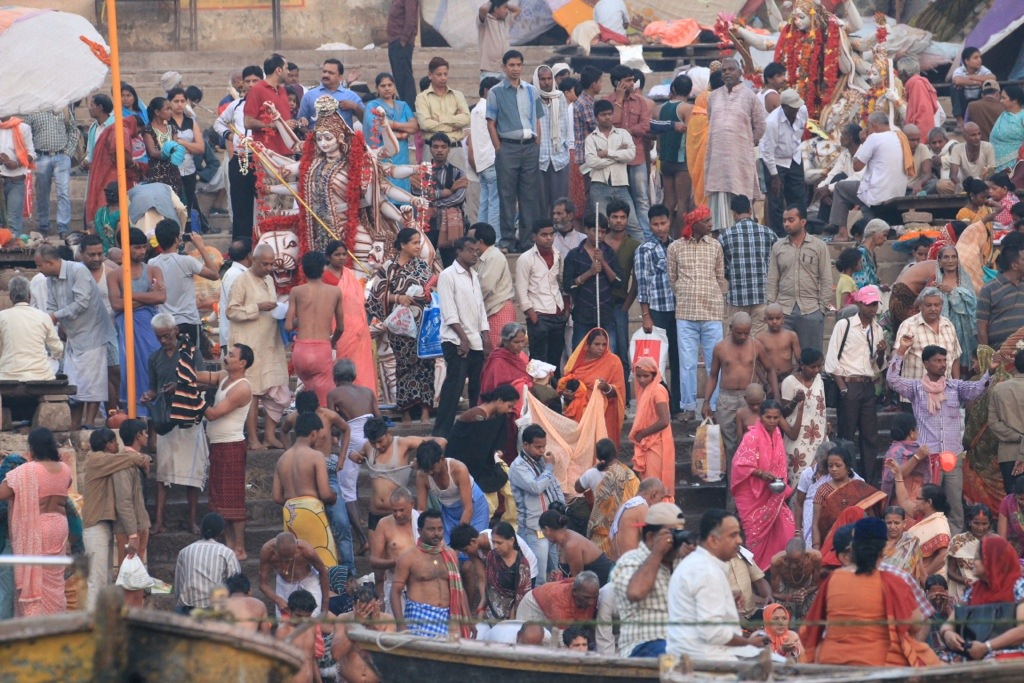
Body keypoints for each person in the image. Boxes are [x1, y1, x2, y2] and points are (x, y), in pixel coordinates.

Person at [888, 337, 999, 532]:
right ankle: (930, 537)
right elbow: (892, 380)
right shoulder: (916, 388)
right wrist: (900, 352)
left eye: (944, 361)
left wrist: (990, 371)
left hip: (952, 456)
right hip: (928, 458)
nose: (942, 365)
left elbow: (977, 390)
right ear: (926, 363)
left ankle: (953, 542)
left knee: (955, 503)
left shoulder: (955, 387)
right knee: (929, 503)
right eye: (937, 361)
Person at [801, 517, 939, 666]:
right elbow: (917, 625)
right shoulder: (895, 581)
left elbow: (809, 628)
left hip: (833, 659)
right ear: (883, 549)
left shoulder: (834, 579)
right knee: (930, 660)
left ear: (853, 549)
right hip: (880, 662)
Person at [34, 244, 116, 428]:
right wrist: (54, 321)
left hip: (92, 333)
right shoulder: (50, 280)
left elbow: (81, 303)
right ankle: (75, 425)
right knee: (74, 385)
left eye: (40, 266)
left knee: (93, 384)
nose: (38, 270)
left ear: (50, 262)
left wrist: (56, 316)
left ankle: (88, 424)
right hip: (73, 337)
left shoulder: (78, 270)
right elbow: (51, 306)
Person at [667, 509, 766, 660]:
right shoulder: (706, 571)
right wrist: (748, 642)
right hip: (705, 661)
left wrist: (725, 599)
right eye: (733, 535)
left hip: (697, 655)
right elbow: (713, 632)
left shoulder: (702, 565)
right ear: (713, 540)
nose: (739, 540)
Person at [141, 314, 208, 535]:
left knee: (192, 474)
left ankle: (191, 521)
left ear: (176, 330)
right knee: (163, 474)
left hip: (189, 417)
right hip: (167, 421)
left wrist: (179, 388)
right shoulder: (154, 358)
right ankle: (159, 522)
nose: (163, 341)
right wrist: (148, 396)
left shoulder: (191, 352)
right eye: (159, 337)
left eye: (167, 336)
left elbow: (202, 382)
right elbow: (153, 387)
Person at [193, 343, 254, 561]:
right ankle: (229, 545)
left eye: (231, 355)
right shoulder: (223, 377)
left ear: (242, 363)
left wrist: (194, 398)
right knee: (220, 499)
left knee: (234, 500)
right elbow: (202, 376)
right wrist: (182, 373)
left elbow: (214, 414)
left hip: (231, 446)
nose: (226, 357)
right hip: (218, 446)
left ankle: (239, 548)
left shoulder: (242, 387)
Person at [367, 229, 434, 422]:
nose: (417, 246)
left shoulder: (422, 265)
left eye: (418, 242)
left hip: (421, 325)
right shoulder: (389, 267)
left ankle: (425, 411)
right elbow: (375, 296)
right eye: (413, 242)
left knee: (425, 365)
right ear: (403, 245)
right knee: (403, 366)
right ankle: (405, 410)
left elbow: (431, 290)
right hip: (400, 327)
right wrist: (398, 297)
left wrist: (423, 294)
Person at [227, 243, 289, 449]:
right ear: (253, 260)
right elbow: (231, 311)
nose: (269, 268)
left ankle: (269, 435)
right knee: (252, 393)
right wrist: (258, 307)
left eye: (272, 264)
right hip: (249, 345)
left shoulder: (269, 279)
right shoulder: (241, 280)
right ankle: (253, 439)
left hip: (270, 343)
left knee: (277, 388)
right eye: (265, 264)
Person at [666, 205, 725, 419]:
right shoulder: (675, 248)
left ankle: (714, 407)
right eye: (707, 221)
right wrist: (684, 294)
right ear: (695, 224)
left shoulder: (716, 246)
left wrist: (716, 296)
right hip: (686, 313)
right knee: (687, 363)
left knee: (714, 363)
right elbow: (672, 280)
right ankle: (689, 407)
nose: (711, 224)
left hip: (712, 313)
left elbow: (720, 277)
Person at [825, 285, 887, 484]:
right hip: (849, 385)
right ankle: (846, 479)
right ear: (859, 304)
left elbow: (878, 365)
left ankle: (868, 481)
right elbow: (832, 360)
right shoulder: (844, 326)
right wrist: (842, 387)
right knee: (847, 435)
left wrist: (882, 353)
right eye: (868, 304)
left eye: (875, 304)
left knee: (870, 436)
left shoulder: (878, 329)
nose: (872, 308)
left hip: (868, 385)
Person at [610, 502, 687, 657]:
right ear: (651, 537)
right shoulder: (630, 561)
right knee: (672, 653)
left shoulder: (682, 562)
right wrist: (657, 553)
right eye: (671, 533)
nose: (676, 540)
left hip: (681, 642)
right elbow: (636, 593)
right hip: (643, 644)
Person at [84, 426, 148, 613]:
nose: (118, 446)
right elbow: (130, 458)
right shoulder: (97, 459)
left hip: (104, 524)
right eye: (115, 442)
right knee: (97, 579)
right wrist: (143, 459)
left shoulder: (108, 460)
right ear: (108, 444)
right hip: (95, 525)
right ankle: (91, 625)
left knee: (105, 578)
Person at [433, 236, 491, 438]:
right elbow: (449, 311)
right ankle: (441, 433)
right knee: (454, 388)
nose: (474, 254)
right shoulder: (448, 275)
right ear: (458, 251)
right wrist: (463, 338)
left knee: (476, 388)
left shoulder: (474, 275)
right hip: (456, 341)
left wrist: (486, 336)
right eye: (470, 250)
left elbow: (480, 308)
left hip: (475, 340)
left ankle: (474, 431)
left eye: (477, 250)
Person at [483, 50, 542, 252]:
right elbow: (491, 123)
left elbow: (537, 119)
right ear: (504, 67)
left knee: (528, 197)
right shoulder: (495, 92)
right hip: (507, 147)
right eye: (511, 65)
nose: (515, 69)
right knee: (507, 196)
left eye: (518, 65)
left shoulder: (532, 91)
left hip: (530, 146)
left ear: (522, 66)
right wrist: (499, 148)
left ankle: (526, 242)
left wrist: (537, 143)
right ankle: (507, 241)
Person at [704, 312, 781, 461]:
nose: (742, 337)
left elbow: (770, 369)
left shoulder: (756, 345)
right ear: (731, 328)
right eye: (738, 333)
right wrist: (706, 401)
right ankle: (732, 482)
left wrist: (776, 395)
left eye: (746, 333)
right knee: (730, 444)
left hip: (752, 399)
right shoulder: (720, 347)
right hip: (727, 400)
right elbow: (713, 376)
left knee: (755, 440)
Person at [731, 400, 797, 570]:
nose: (773, 421)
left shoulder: (777, 435)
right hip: (752, 495)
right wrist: (760, 473)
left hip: (773, 494)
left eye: (776, 417)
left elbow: (781, 464)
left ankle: (773, 569)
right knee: (754, 537)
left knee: (787, 527)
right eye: (769, 417)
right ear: (760, 417)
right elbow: (740, 464)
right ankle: (754, 574)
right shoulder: (751, 436)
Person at [107, 228, 165, 418]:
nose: (142, 252)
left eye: (143, 247)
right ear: (125, 248)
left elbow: (161, 297)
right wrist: (148, 296)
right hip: (127, 329)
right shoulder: (114, 275)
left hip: (150, 328)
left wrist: (130, 297)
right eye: (137, 248)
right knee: (130, 371)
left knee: (153, 368)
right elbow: (116, 304)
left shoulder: (152, 270)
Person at [938, 535, 1024, 661]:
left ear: (992, 560)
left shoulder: (1018, 586)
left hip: (1007, 653)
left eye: (977, 558)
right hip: (974, 651)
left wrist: (986, 647)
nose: (972, 562)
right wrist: (948, 634)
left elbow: (1022, 630)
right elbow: (949, 623)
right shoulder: (973, 591)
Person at [704, 58, 766, 232]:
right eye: (724, 70)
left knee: (740, 194)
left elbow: (760, 125)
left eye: (731, 69)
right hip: (717, 158)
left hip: (740, 159)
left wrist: (745, 142)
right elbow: (711, 120)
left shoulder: (750, 97)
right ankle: (720, 234)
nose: (727, 73)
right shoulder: (714, 96)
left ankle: (740, 233)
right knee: (719, 197)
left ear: (740, 73)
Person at [392, 509, 473, 637]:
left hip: (448, 618)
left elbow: (460, 589)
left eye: (440, 529)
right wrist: (400, 623)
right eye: (431, 529)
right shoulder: (408, 558)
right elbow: (395, 591)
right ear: (419, 531)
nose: (436, 533)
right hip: (419, 618)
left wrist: (468, 618)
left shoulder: (451, 554)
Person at [828, 112, 909, 240]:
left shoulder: (874, 138)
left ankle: (842, 233)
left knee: (840, 187)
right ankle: (884, 230)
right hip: (898, 191)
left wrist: (863, 142)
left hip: (879, 192)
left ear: (873, 125)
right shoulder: (900, 137)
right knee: (866, 203)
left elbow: (857, 166)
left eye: (868, 127)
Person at [274, 412, 339, 568]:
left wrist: (294, 502)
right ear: (314, 433)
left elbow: (277, 497)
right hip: (312, 511)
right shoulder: (316, 456)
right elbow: (324, 493)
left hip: (290, 513)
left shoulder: (282, 459)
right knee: (324, 562)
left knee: (298, 563)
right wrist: (333, 496)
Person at [448, 383, 518, 524]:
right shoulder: (477, 416)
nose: (509, 410)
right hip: (470, 466)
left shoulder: (497, 416)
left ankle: (511, 527)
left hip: (487, 462)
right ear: (499, 401)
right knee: (488, 502)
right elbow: (471, 449)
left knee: (512, 489)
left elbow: (495, 441)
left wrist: (497, 452)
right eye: (509, 406)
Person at [767, 205, 832, 352]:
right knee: (780, 359)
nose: (786, 224)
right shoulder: (778, 247)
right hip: (783, 311)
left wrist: (821, 309)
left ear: (802, 222)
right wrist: (772, 307)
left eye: (791, 220)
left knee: (811, 359)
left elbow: (826, 279)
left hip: (811, 310)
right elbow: (772, 279)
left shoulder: (819, 246)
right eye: (784, 220)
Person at [148, 219, 218, 354]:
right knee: (192, 365)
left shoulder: (152, 262)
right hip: (188, 321)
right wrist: (200, 246)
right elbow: (214, 274)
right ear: (177, 239)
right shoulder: (186, 261)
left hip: (165, 324)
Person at [285, 252, 344, 406]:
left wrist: (302, 319)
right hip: (322, 350)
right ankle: (323, 428)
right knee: (324, 403)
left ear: (303, 270)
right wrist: (333, 342)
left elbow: (289, 326)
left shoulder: (296, 291)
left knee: (306, 400)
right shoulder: (335, 292)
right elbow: (340, 327)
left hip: (301, 351)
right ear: (323, 268)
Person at [509, 425, 565, 584]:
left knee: (557, 571)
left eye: (544, 446)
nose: (542, 451)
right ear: (525, 445)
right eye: (537, 447)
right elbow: (536, 487)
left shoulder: (541, 461)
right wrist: (549, 468)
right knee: (538, 576)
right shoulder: (518, 466)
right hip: (534, 529)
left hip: (552, 526)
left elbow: (554, 485)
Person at [602, 65, 650, 238]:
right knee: (620, 199)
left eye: (632, 79)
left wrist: (625, 133)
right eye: (628, 80)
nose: (633, 83)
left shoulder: (640, 101)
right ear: (618, 83)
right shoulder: (607, 102)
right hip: (616, 160)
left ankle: (645, 236)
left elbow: (645, 126)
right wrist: (619, 101)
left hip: (636, 157)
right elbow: (610, 124)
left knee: (642, 199)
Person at [719, 195, 777, 338]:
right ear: (750, 210)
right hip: (762, 295)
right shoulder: (769, 234)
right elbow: (776, 263)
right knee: (759, 339)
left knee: (735, 338)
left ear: (733, 213)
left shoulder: (725, 236)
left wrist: (732, 275)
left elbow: (722, 267)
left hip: (737, 297)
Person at [515, 219, 566, 373]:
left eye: (551, 234)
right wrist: (532, 315)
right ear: (534, 237)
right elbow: (521, 290)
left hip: (557, 313)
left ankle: (554, 394)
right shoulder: (525, 258)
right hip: (539, 314)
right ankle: (537, 394)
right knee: (538, 360)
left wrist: (565, 309)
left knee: (555, 359)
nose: (549, 238)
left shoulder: (558, 255)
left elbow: (561, 283)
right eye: (544, 235)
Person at [564, 214, 622, 350]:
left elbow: (618, 282)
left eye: (603, 232)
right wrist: (589, 273)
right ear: (586, 230)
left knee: (609, 354)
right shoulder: (574, 255)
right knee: (579, 355)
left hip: (606, 315)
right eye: (595, 231)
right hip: (583, 316)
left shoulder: (609, 253)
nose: (600, 235)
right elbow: (568, 285)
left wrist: (603, 262)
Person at [415, 440, 489, 541]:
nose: (430, 472)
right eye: (426, 470)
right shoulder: (422, 475)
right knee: (446, 548)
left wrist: (458, 539)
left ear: (442, 459)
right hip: (449, 513)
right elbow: (421, 510)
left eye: (432, 468)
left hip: (475, 509)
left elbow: (468, 509)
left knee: (472, 545)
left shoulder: (459, 469)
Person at [560, 327, 626, 440]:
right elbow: (566, 382)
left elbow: (619, 391)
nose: (601, 348)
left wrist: (606, 388)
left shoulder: (613, 361)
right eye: (597, 344)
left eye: (604, 344)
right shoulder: (577, 360)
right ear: (587, 345)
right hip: (579, 413)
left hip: (603, 413)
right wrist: (566, 394)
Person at [575, 438, 638, 554]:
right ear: (616, 453)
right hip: (622, 529)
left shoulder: (592, 474)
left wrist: (594, 467)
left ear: (598, 457)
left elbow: (577, 488)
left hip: (600, 530)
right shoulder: (629, 474)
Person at [812, 445, 882, 550]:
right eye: (830, 466)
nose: (834, 469)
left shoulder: (859, 487)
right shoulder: (823, 490)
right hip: (831, 546)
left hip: (859, 543)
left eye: (838, 465)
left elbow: (872, 518)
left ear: (848, 467)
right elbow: (815, 524)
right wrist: (816, 549)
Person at [585, 100, 638, 233]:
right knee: (602, 226)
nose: (608, 117)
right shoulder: (591, 138)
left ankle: (640, 252)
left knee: (633, 225)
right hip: (599, 186)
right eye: (603, 115)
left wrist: (607, 153)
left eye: (610, 114)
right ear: (596, 117)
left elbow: (631, 155)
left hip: (621, 185)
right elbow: (592, 162)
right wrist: (618, 155)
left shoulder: (623, 134)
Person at [172, 512, 241, 614]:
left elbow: (178, 585)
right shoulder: (227, 553)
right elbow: (236, 584)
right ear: (221, 531)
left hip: (186, 609)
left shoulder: (185, 551)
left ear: (202, 528)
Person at [760, 90, 808, 235]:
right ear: (785, 107)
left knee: (798, 198)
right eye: (793, 108)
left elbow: (800, 132)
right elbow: (767, 152)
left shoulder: (802, 111)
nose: (796, 110)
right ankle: (778, 236)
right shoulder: (772, 123)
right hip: (775, 161)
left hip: (794, 157)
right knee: (776, 202)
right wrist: (775, 176)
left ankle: (800, 232)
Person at [603, 200, 640, 380]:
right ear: (608, 219)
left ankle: (622, 397)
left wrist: (626, 306)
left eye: (622, 217)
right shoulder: (600, 242)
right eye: (615, 217)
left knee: (622, 351)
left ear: (627, 219)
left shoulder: (634, 245)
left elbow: (637, 280)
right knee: (602, 351)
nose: (619, 221)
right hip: (598, 304)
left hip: (619, 305)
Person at [25, 108, 78, 236]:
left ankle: (63, 227)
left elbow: (73, 131)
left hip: (62, 156)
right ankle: (44, 225)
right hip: (41, 157)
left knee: (63, 193)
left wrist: (68, 153)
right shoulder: (33, 110)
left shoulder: (63, 109)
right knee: (42, 193)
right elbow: (26, 134)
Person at [0, 276, 63, 381]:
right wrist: (54, 356)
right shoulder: (43, 316)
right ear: (29, 296)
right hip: (41, 375)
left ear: (10, 297)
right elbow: (58, 348)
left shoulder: (2, 316)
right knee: (56, 363)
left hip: (8, 376)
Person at [367, 487, 419, 613]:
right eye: (394, 511)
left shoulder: (422, 521)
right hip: (396, 582)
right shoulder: (384, 524)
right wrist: (395, 562)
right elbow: (374, 560)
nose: (398, 514)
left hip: (420, 583)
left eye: (402, 510)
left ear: (412, 504)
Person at [629, 356, 674, 498]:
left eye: (646, 376)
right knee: (649, 486)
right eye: (639, 376)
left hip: (657, 443)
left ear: (654, 375)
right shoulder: (646, 390)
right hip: (648, 443)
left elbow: (664, 421)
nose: (642, 380)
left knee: (655, 487)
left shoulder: (657, 390)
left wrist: (642, 434)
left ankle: (660, 517)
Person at [258, 531, 330, 617]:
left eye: (290, 558)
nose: (286, 563)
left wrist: (325, 605)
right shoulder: (267, 551)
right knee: (284, 620)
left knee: (312, 617)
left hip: (308, 579)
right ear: (275, 551)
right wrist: (278, 600)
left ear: (296, 549)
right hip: (284, 582)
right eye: (283, 559)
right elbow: (262, 584)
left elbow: (323, 572)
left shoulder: (306, 551)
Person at [781, 348, 827, 482]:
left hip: (818, 435)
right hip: (797, 436)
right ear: (802, 365)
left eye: (819, 366)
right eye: (813, 367)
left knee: (820, 476)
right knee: (798, 475)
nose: (817, 370)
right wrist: (795, 400)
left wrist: (826, 424)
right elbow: (783, 412)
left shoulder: (818, 379)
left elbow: (822, 405)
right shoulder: (790, 382)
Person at [531, 64, 570, 220]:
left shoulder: (559, 96)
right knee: (539, 204)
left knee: (560, 204)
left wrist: (563, 147)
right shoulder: (531, 97)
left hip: (559, 158)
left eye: (549, 78)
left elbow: (565, 126)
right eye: (543, 79)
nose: (546, 82)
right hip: (539, 159)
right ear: (537, 80)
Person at [540, 507, 613, 585]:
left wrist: (559, 582)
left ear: (547, 529)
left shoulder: (571, 545)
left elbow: (578, 580)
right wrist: (559, 574)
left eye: (542, 531)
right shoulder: (562, 540)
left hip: (601, 583)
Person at [243, 54, 296, 158]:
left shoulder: (282, 90)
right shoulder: (257, 90)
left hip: (287, 151)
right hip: (268, 154)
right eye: (286, 68)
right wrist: (277, 125)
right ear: (279, 70)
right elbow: (248, 122)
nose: (288, 72)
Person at [468, 223, 516, 336]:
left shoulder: (495, 256)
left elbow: (486, 286)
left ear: (479, 242)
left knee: (499, 351)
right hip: (490, 310)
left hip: (498, 309)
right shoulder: (482, 257)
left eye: (470, 240)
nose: (467, 243)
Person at [478, 521, 531, 620]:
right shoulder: (491, 556)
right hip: (490, 612)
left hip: (512, 615)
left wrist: (510, 623)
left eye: (499, 543)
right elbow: (489, 588)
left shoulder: (522, 565)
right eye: (493, 542)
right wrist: (481, 609)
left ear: (511, 540)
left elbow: (520, 598)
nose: (495, 546)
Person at [880, 413, 932, 512]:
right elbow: (898, 474)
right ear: (911, 432)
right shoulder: (895, 451)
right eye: (916, 428)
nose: (918, 431)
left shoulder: (917, 448)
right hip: (902, 498)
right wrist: (917, 457)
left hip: (919, 496)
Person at [978, 242, 1024, 352]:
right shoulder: (988, 290)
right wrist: (988, 358)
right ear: (1014, 265)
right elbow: (981, 328)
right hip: (1000, 358)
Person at [989, 349, 1024, 494]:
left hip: (1009, 454)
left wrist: (1018, 437)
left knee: (1014, 503)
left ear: (1014, 366)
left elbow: (993, 423)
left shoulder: (999, 389)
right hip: (1015, 453)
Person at [469, 77, 501, 234]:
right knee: (495, 202)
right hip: (492, 159)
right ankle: (494, 238)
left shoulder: (475, 110)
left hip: (481, 162)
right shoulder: (489, 108)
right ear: (487, 91)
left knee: (484, 202)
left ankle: (480, 236)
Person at [515, 572, 600, 628]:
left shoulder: (589, 592)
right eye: (587, 598)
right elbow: (563, 640)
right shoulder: (560, 602)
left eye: (594, 597)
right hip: (532, 607)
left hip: (551, 604)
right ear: (574, 592)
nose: (592, 602)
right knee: (532, 640)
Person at [298, 59, 363, 128]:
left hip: (344, 138)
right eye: (324, 71)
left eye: (331, 73)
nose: (326, 75)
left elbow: (366, 120)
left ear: (340, 77)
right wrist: (310, 134)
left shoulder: (351, 96)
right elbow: (300, 123)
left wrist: (355, 107)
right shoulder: (309, 95)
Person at [950, 504, 995, 601]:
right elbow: (950, 571)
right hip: (963, 592)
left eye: (984, 524)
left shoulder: (996, 542)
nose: (980, 527)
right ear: (970, 522)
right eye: (976, 523)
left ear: (990, 523)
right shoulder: (958, 541)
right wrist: (966, 581)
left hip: (989, 592)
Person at [769, 538, 821, 621]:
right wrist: (790, 598)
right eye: (789, 561)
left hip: (806, 587)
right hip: (786, 587)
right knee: (782, 618)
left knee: (811, 617)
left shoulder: (815, 557)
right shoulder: (777, 561)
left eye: (797, 562)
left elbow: (815, 585)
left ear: (805, 555)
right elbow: (775, 594)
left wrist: (805, 592)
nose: (793, 566)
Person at [0, 113, 34, 238]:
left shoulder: (23, 127)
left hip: (15, 180)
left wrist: (16, 164)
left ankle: (11, 252)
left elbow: (31, 154)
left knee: (13, 222)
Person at [882, 505, 927, 586]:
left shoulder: (912, 543)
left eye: (896, 523)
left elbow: (922, 573)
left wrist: (929, 590)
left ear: (904, 523)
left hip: (905, 592)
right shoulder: (876, 544)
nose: (892, 526)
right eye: (889, 523)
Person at [386, 0, 419, 109]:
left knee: (405, 77)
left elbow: (411, 20)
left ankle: (410, 109)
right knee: (398, 77)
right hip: (394, 41)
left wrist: (404, 39)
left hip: (401, 42)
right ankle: (405, 107)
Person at [899, 56, 941, 137]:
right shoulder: (915, 84)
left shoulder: (918, 85)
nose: (899, 76)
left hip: (920, 139)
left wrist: (919, 141)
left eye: (899, 72)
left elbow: (923, 116)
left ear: (904, 72)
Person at [949, 123, 996, 190]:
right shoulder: (957, 148)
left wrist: (978, 185)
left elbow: (991, 172)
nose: (977, 137)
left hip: (983, 184)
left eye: (979, 134)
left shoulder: (988, 147)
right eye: (973, 135)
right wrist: (962, 186)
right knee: (942, 185)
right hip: (964, 184)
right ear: (964, 136)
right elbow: (953, 175)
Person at [991, 85, 1024, 172]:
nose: (1001, 101)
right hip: (995, 164)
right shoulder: (1004, 114)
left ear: (1014, 100)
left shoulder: (1022, 116)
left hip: (1015, 164)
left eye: (1003, 98)